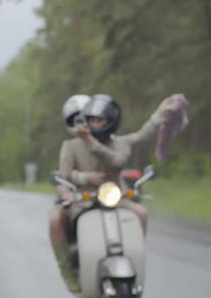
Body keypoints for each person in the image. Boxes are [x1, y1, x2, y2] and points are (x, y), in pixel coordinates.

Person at [49, 94, 172, 292]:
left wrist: (159, 115)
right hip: (82, 199)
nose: (88, 124)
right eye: (89, 120)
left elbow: (138, 139)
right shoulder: (70, 146)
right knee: (55, 218)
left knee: (141, 212)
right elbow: (63, 177)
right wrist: (74, 187)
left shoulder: (118, 143)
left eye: (96, 120)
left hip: (116, 198)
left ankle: (134, 252)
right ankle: (68, 270)